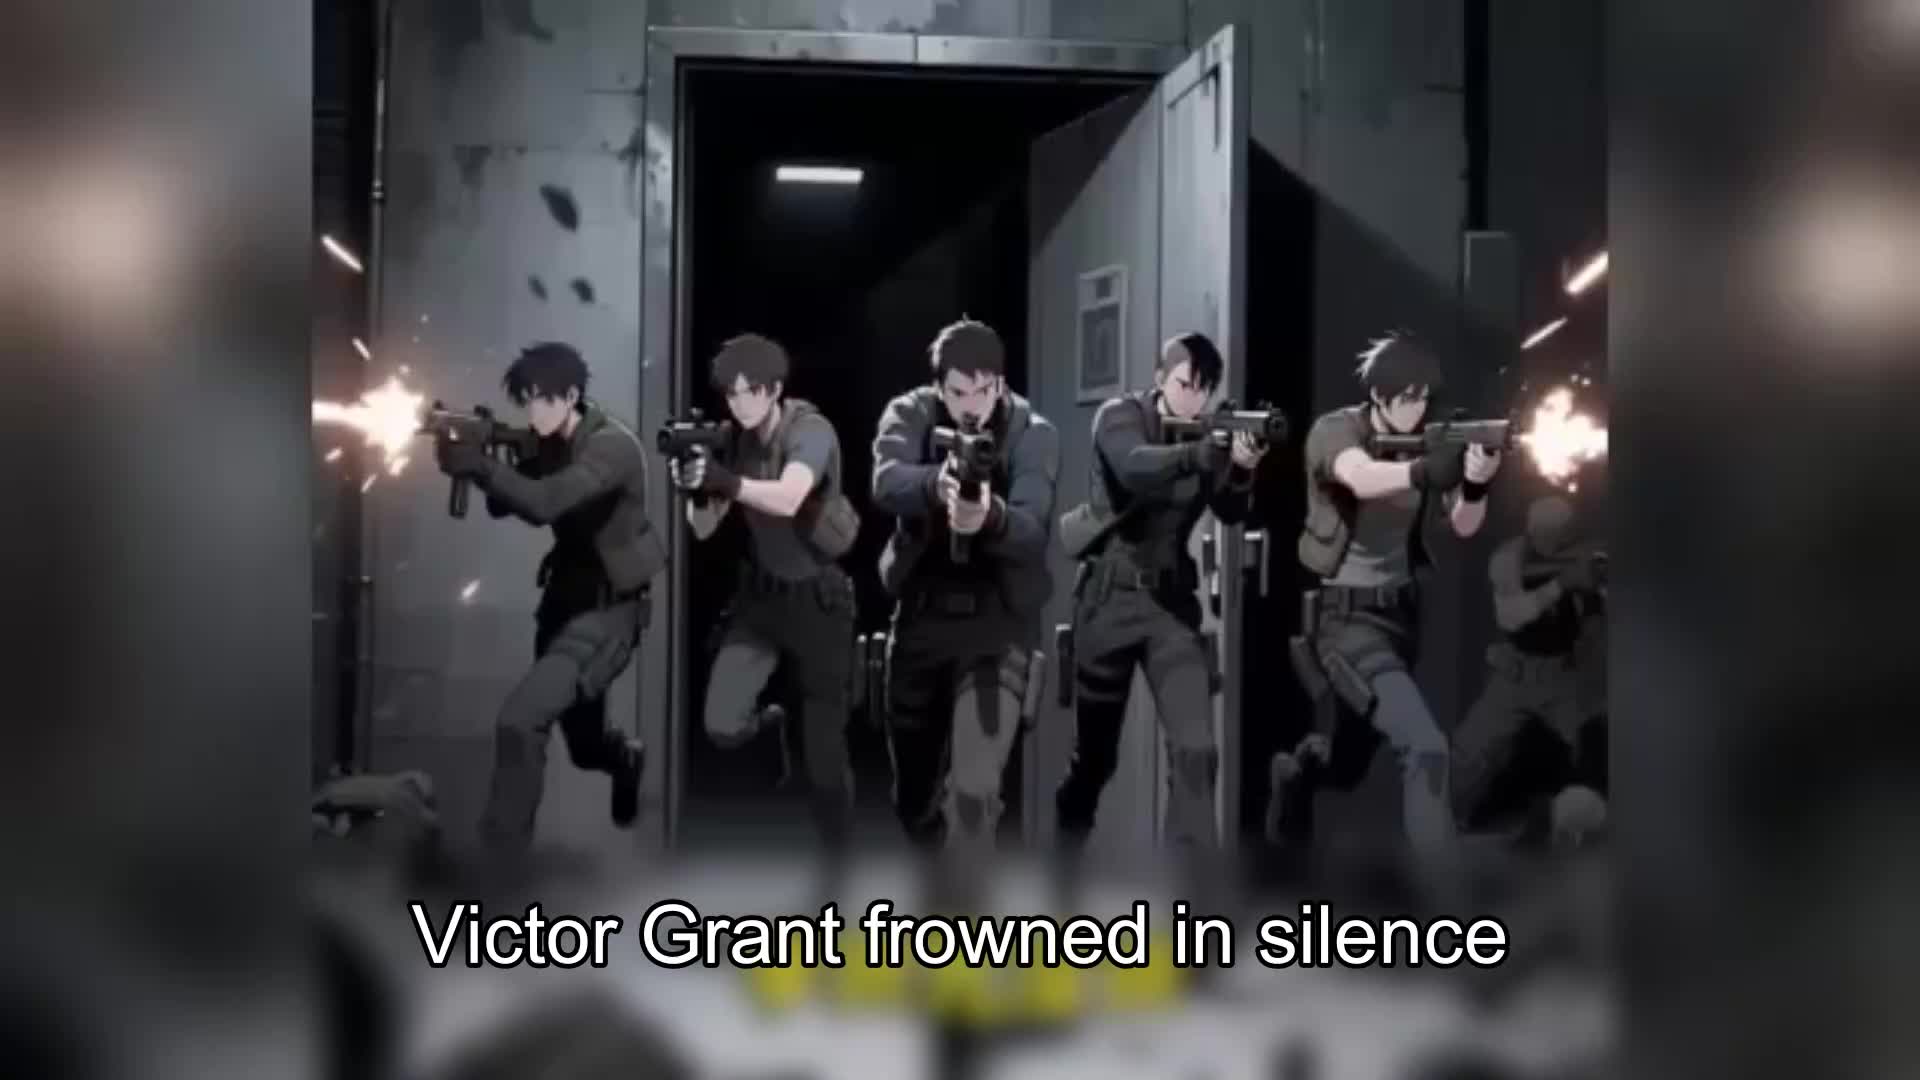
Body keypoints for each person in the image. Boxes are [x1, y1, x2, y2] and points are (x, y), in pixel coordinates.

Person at [1278, 332, 1502, 901]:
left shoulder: (1428, 438)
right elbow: (1360, 477)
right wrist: (1426, 470)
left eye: (1424, 397)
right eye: (1407, 397)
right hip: (1346, 623)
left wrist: (1475, 481)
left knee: (1347, 764)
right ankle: (1447, 906)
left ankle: (1297, 774)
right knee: (1425, 747)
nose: (1417, 408)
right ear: (1379, 395)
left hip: (1401, 620)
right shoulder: (1337, 431)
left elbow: (1464, 526)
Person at [435, 342, 660, 855]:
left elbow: (544, 503)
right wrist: (476, 463)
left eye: (542, 399)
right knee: (583, 746)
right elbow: (503, 507)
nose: (532, 411)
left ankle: (501, 870)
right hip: (562, 605)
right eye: (526, 400)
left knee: (520, 722)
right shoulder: (547, 443)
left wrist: (483, 466)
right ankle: (623, 757)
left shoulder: (612, 449)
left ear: (572, 396)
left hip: (607, 614)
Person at [1053, 332, 1266, 850]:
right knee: (1096, 762)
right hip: (1109, 600)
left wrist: (1241, 468)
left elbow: (1231, 510)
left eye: (1204, 389)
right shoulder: (1120, 416)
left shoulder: (1208, 434)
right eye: (1184, 384)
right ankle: (1067, 843)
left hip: (1170, 607)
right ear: (1160, 378)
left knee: (1196, 750)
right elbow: (1133, 467)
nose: (1194, 398)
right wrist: (1198, 453)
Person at [869, 319, 1059, 860]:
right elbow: (886, 482)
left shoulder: (1031, 432)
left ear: (1000, 383)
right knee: (914, 801)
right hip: (923, 620)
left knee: (975, 792)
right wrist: (937, 484)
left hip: (997, 626)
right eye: (957, 393)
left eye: (982, 390)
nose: (970, 405)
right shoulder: (910, 413)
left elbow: (1033, 526)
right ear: (939, 387)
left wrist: (988, 517)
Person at [671, 333, 861, 850]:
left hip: (819, 602)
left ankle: (838, 857)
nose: (740, 403)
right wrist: (696, 487)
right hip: (763, 599)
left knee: (824, 761)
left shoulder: (809, 429)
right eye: (731, 394)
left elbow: (790, 496)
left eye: (750, 391)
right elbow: (703, 528)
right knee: (721, 722)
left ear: (774, 389)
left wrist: (726, 481)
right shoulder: (734, 441)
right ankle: (772, 729)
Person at [1452, 494, 1607, 844]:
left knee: (1593, 747)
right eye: (1544, 533)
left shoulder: (1584, 554)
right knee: (1470, 750)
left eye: (1559, 534)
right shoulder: (1508, 559)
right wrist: (1561, 585)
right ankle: (1444, 823)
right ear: (1531, 530)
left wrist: (1596, 582)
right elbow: (1512, 616)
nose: (1551, 541)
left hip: (1565, 675)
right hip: (1517, 673)